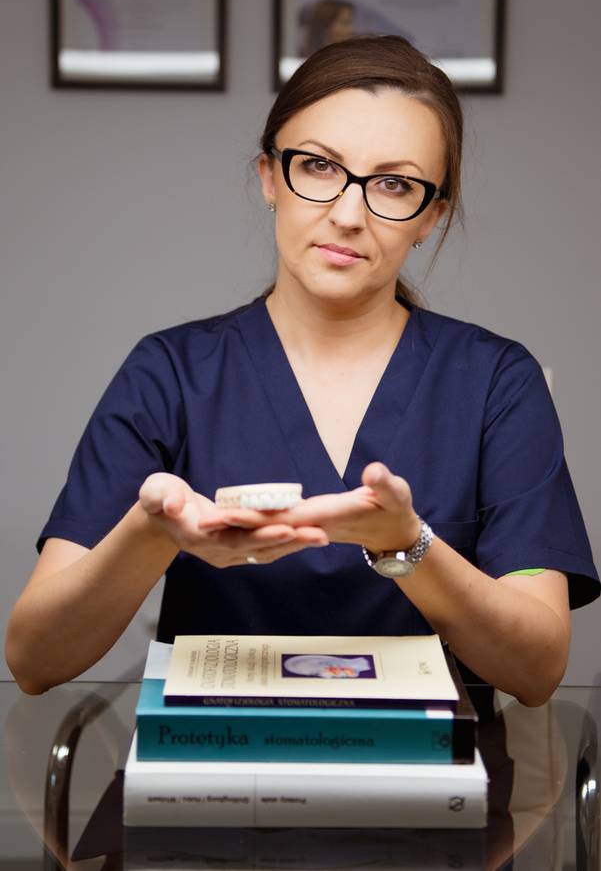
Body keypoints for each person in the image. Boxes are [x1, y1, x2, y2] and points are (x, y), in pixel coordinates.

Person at [5, 36, 599, 704]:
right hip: (205, 782)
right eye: (317, 167)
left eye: (394, 184)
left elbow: (536, 669)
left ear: (430, 215)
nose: (347, 214)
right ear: (268, 175)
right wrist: (150, 533)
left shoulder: (495, 383)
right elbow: (34, 659)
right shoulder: (170, 373)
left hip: (436, 786)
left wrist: (407, 546)